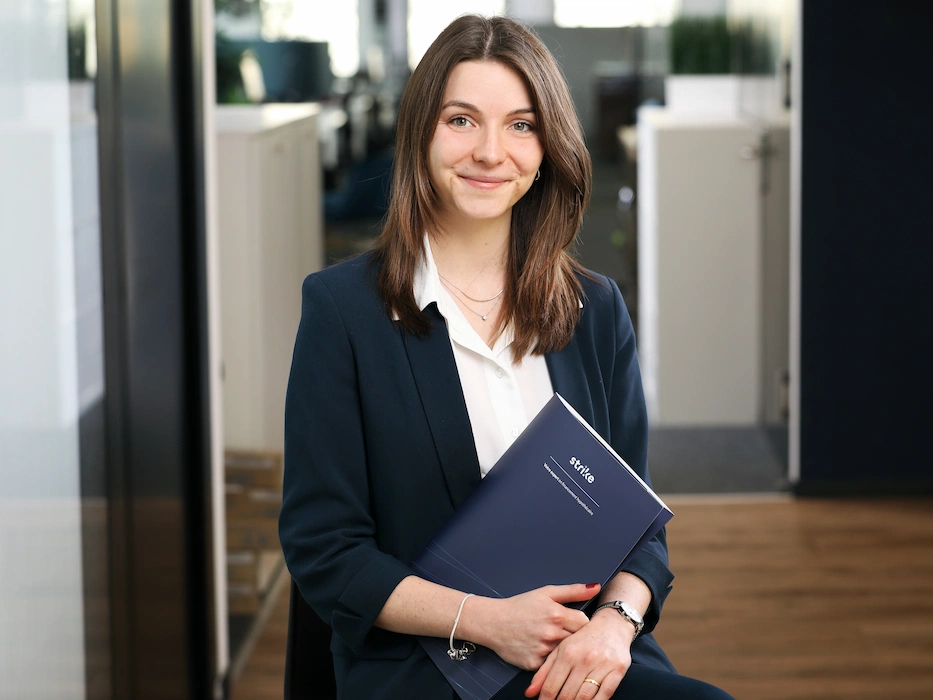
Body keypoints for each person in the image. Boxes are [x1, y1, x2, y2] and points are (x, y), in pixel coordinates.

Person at [279, 14, 734, 700]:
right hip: (423, 665)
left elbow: (637, 524)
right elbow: (325, 547)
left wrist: (615, 623)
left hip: (577, 651)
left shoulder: (596, 310)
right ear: (421, 134)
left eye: (521, 125)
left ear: (548, 145)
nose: (492, 151)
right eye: (462, 120)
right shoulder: (343, 313)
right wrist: (488, 622)